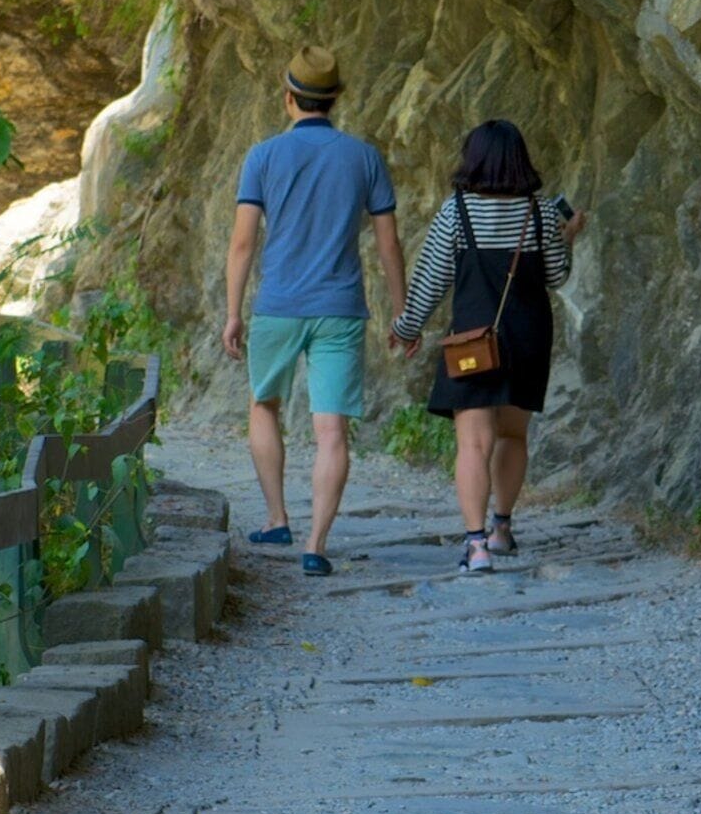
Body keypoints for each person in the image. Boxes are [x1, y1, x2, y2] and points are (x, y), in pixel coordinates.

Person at [221, 46, 404, 576]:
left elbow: (242, 243)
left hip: (277, 305)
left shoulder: (263, 156)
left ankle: (277, 517)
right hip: (341, 308)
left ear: (288, 98)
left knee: (264, 406)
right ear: (337, 99)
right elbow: (389, 244)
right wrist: (401, 311)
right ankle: (315, 544)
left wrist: (233, 312)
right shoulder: (365, 157)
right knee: (332, 431)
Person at [392, 120, 582, 573]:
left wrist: (407, 327)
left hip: (474, 342)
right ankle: (501, 529)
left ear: (472, 157)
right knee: (513, 434)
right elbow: (557, 277)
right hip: (529, 337)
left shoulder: (456, 211)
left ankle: (475, 547)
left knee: (472, 444)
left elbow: (431, 278)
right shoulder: (538, 211)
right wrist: (567, 236)